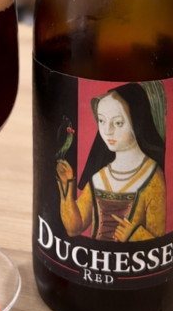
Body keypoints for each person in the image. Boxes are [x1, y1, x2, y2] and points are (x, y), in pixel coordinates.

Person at [56, 83, 166, 242]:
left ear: (137, 121)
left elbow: (160, 241)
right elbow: (74, 228)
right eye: (101, 121)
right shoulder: (99, 177)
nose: (107, 131)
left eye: (118, 123)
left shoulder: (152, 178)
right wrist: (67, 184)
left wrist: (134, 235)